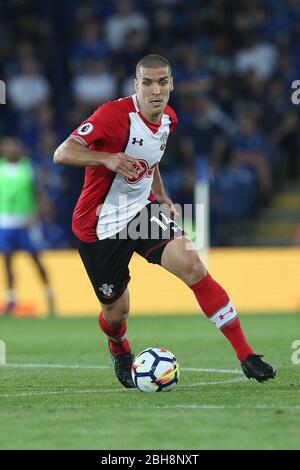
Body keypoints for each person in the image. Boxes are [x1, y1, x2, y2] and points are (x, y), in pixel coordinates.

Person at [54, 54, 276, 387]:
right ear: (136, 85)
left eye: (162, 82)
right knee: (117, 313)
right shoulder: (112, 115)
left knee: (193, 266)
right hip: (98, 226)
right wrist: (108, 158)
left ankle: (246, 355)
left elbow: (151, 162)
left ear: (171, 84)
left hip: (142, 213)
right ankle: (119, 347)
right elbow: (63, 152)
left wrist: (162, 196)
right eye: (147, 83)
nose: (155, 90)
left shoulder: (169, 118)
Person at [0, 137, 55, 316]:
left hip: (26, 221)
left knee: (35, 259)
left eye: (14, 146)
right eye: (8, 147)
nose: (11, 150)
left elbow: (38, 193)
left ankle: (50, 295)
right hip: (5, 222)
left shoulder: (29, 167)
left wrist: (35, 215)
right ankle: (11, 299)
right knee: (7, 261)